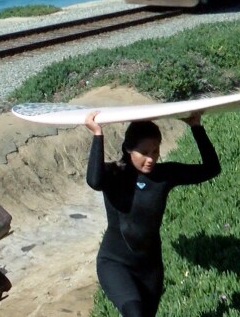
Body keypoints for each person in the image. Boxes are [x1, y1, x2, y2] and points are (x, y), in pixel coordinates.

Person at [85, 110, 221, 317]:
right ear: (128, 149)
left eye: (155, 151)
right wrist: (97, 135)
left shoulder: (164, 175)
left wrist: (196, 127)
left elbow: (212, 169)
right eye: (144, 152)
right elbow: (94, 181)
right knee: (134, 313)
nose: (151, 158)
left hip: (150, 269)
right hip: (115, 263)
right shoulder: (114, 173)